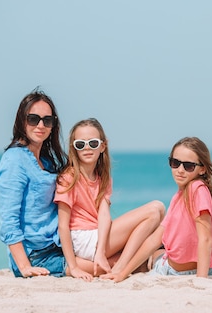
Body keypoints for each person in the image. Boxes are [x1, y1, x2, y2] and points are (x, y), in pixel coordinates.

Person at [102, 136, 212, 282]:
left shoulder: (196, 189)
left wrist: (201, 280)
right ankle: (123, 265)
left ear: (202, 169)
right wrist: (122, 275)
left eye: (188, 166)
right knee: (156, 247)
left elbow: (205, 239)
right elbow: (155, 239)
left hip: (174, 271)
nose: (180, 170)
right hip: (193, 267)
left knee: (152, 254)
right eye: (175, 163)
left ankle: (121, 263)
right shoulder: (182, 196)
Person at [54, 118, 165, 282]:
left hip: (98, 237)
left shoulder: (102, 178)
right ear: (73, 148)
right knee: (156, 209)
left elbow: (104, 216)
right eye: (80, 144)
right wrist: (74, 267)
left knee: (145, 251)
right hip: (84, 239)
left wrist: (100, 253)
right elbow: (63, 225)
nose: (86, 148)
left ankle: (125, 265)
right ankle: (120, 267)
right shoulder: (68, 178)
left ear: (103, 146)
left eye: (93, 143)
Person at [0, 89, 68, 277]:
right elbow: (8, 219)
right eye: (33, 119)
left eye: (47, 120)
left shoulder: (47, 161)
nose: (41, 125)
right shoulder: (14, 159)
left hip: (60, 245)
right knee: (103, 265)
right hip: (36, 256)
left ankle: (155, 258)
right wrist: (25, 267)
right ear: (22, 120)